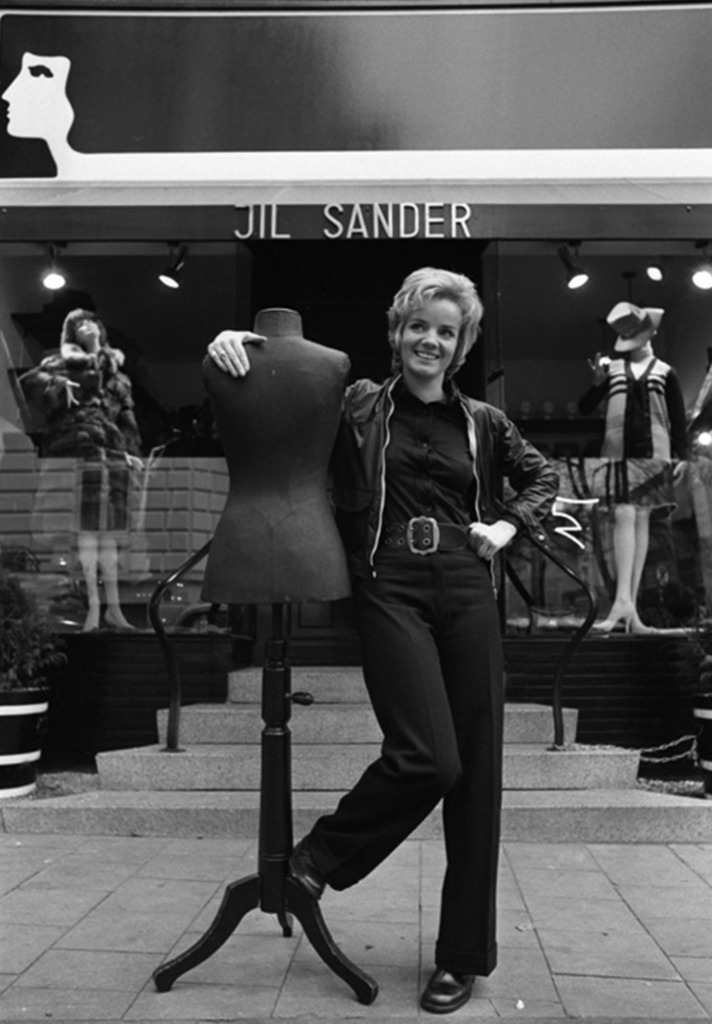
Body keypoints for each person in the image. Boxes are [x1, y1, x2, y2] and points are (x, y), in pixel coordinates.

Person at [207, 267, 558, 1014]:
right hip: (389, 584)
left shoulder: (486, 424)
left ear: (461, 345)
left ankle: (460, 957)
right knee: (428, 756)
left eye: (446, 330)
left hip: (467, 586)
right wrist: (234, 349)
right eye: (418, 325)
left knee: (475, 780)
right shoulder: (357, 403)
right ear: (396, 332)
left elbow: (541, 478)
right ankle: (318, 859)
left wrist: (508, 524)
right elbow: (278, 403)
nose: (429, 339)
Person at [20, 308, 143, 632]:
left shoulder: (116, 374)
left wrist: (130, 451)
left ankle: (113, 608)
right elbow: (28, 385)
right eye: (79, 324)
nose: (86, 326)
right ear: (72, 334)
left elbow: (125, 419)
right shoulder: (60, 363)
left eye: (90, 321)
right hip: (79, 455)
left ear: (100, 329)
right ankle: (94, 606)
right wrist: (60, 384)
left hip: (110, 460)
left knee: (109, 539)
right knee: (87, 534)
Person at [579, 301, 688, 634]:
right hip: (617, 453)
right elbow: (585, 409)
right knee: (625, 515)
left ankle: (629, 606)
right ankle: (623, 604)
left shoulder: (666, 372)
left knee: (640, 517)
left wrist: (680, 456)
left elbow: (678, 418)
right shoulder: (611, 370)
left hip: (655, 451)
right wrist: (598, 381)